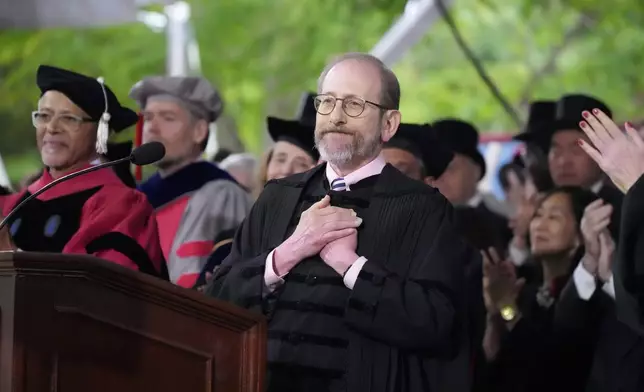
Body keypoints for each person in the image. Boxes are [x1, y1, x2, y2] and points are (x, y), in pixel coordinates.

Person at [207, 52, 473, 392]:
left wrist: (351, 267)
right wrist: (288, 252)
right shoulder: (278, 197)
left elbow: (437, 323)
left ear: (388, 124)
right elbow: (217, 299)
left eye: (354, 105)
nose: (336, 117)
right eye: (327, 102)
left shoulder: (423, 209)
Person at [0, 65, 164, 276]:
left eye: (68, 118)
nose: (51, 127)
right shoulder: (13, 203)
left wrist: (7, 252)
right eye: (44, 116)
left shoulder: (120, 206)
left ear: (99, 132)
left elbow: (95, 294)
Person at [130, 76, 252, 288]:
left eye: (168, 118)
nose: (152, 128)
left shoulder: (222, 194)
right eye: (148, 118)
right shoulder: (138, 197)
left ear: (199, 131)